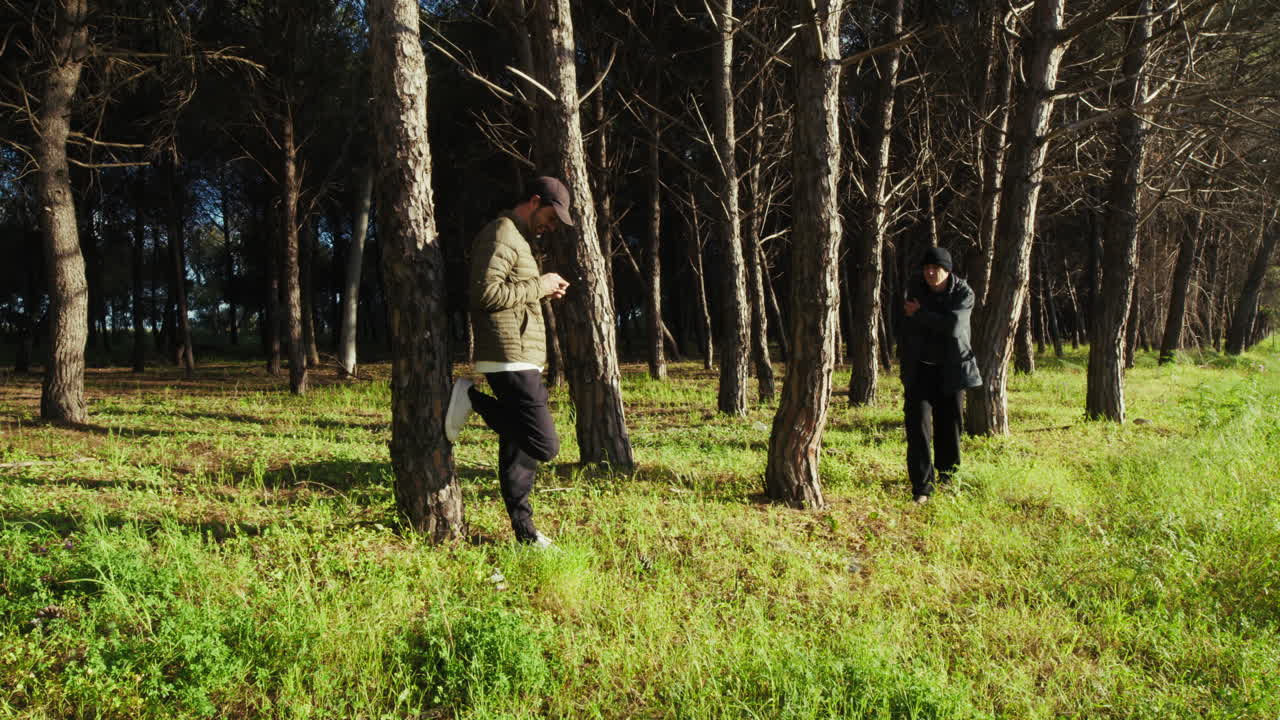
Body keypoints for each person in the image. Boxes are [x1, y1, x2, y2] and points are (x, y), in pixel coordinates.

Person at [443, 176, 574, 546]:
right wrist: (540, 285)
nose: (551, 226)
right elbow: (484, 293)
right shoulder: (502, 232)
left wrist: (542, 293)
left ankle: (525, 533)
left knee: (520, 453)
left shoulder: (518, 239)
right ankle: (469, 397)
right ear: (535, 201)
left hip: (521, 355)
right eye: (551, 216)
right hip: (508, 356)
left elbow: (512, 295)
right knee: (543, 444)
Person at [900, 246, 982, 504]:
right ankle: (922, 488)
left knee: (950, 427)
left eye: (936, 269)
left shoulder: (963, 292)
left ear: (948, 270)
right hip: (920, 370)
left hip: (951, 369)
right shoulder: (915, 290)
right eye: (927, 269)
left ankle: (949, 478)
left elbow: (955, 327)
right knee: (918, 427)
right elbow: (904, 323)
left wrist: (921, 315)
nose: (931, 273)